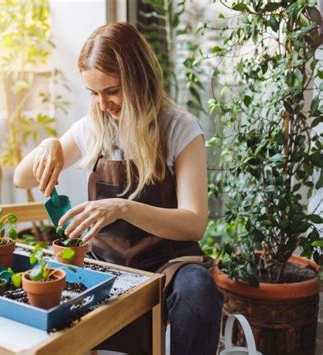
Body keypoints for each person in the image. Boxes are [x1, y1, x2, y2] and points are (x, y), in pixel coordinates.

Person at [14, 22, 223, 355]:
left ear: (139, 78)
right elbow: (21, 179)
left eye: (112, 90)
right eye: (93, 93)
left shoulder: (179, 128)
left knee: (200, 291)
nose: (102, 104)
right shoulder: (94, 128)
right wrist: (48, 144)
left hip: (167, 262)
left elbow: (194, 222)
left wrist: (122, 207)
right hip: (105, 261)